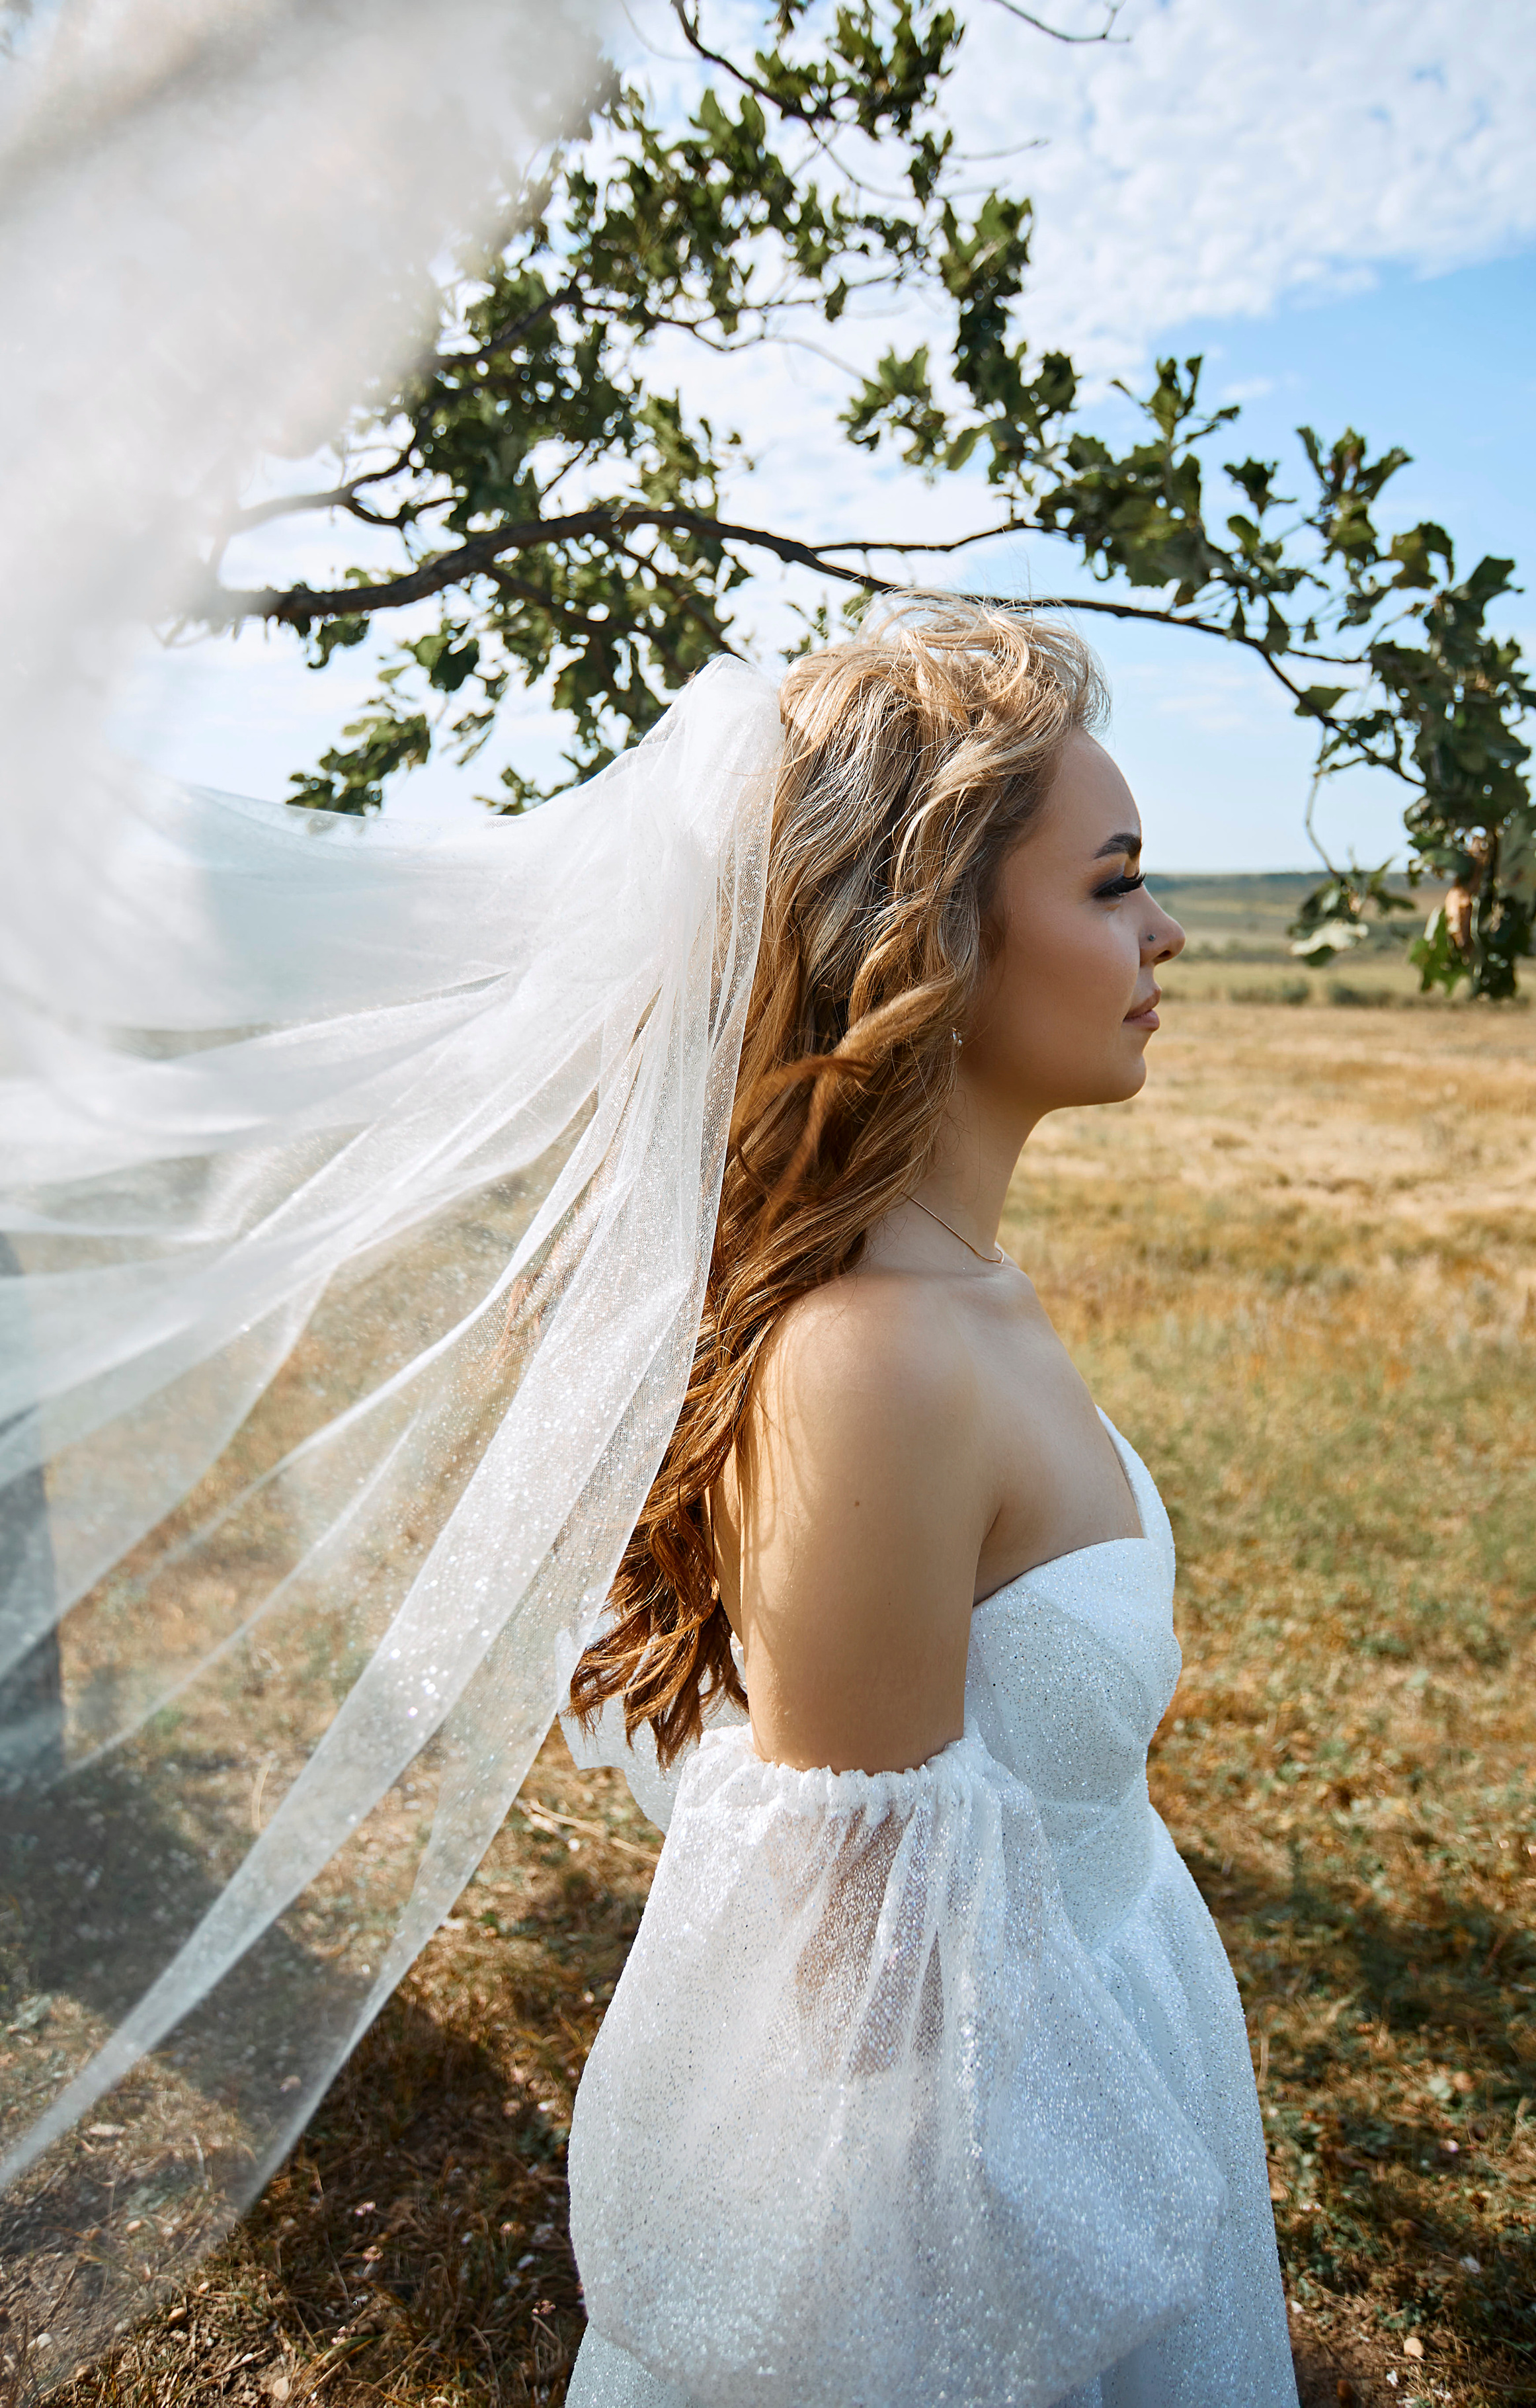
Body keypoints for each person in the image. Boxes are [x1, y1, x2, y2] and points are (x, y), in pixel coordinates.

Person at [561, 601, 1300, 2408]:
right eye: (1114, 883)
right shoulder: (876, 1362)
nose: (1166, 931)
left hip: (1108, 2038)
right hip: (980, 2220)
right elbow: (863, 2020)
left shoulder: (965, 1293)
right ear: (935, 937)